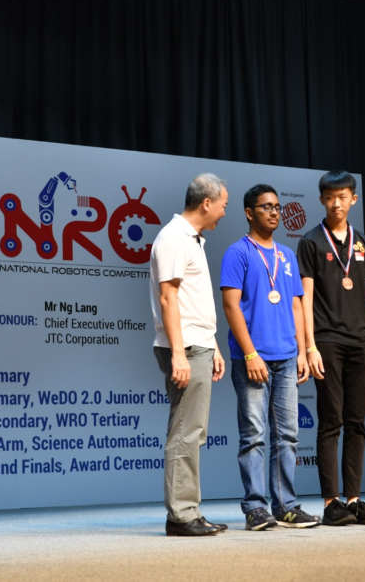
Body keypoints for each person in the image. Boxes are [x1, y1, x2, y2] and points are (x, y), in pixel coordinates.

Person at [220, 184, 321, 531]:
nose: (275, 212)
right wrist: (249, 353)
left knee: (288, 435)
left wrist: (303, 349)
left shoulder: (287, 256)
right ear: (249, 213)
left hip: (287, 356)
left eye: (277, 206)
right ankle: (255, 507)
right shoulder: (238, 252)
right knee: (254, 435)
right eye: (266, 207)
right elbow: (231, 305)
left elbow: (296, 305)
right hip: (253, 358)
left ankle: (286, 505)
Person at [297, 170, 365, 526]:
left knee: (357, 423)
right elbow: (304, 297)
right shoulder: (311, 242)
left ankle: (354, 499)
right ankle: (330, 501)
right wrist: (309, 346)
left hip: (363, 342)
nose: (337, 203)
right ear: (321, 199)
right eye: (330, 197)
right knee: (330, 421)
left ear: (354, 199)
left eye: (344, 196)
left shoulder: (363, 242)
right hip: (327, 341)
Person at [149, 173, 229, 537]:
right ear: (206, 203)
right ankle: (181, 516)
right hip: (185, 348)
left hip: (199, 344)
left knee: (193, 431)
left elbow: (193, 301)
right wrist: (180, 354)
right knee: (184, 430)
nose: (224, 214)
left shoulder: (193, 240)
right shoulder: (174, 238)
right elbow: (169, 299)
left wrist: (212, 345)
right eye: (223, 206)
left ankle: (189, 511)